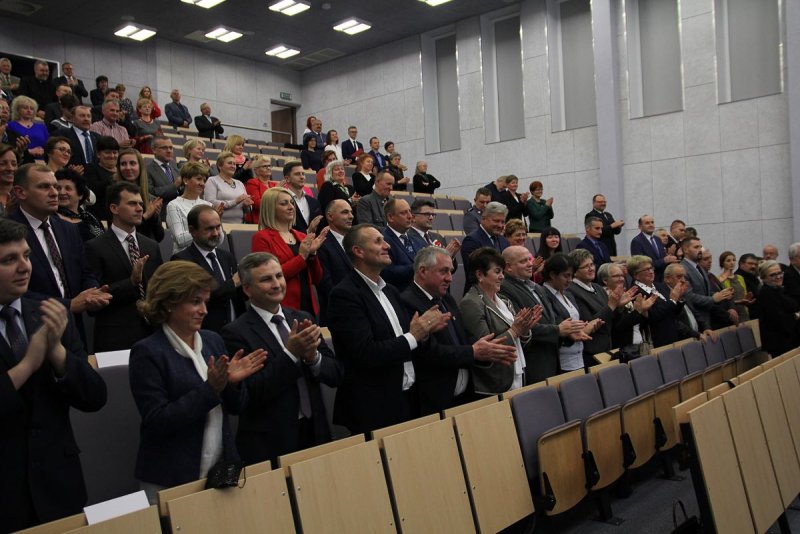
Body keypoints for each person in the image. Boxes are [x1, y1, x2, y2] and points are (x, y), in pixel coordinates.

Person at [0, 218, 107, 532]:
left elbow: (94, 397)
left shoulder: (50, 312)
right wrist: (28, 364)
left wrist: (58, 354)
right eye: (8, 260)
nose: (24, 267)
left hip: (58, 485)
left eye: (26, 255)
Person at [129, 261, 266, 504]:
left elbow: (236, 407)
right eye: (195, 302)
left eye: (205, 302)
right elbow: (158, 420)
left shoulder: (213, 340)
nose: (204, 310)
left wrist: (231, 384)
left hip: (220, 473)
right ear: (169, 302)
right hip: (170, 478)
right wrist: (211, 389)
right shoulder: (148, 352)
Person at [221, 252, 343, 464]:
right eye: (266, 279)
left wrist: (313, 358)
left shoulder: (302, 317)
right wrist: (291, 354)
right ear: (247, 289)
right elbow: (251, 394)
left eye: (279, 276)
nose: (277, 284)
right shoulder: (235, 333)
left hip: (316, 432)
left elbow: (335, 375)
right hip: (272, 443)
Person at [327, 224, 448, 433]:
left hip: (407, 398)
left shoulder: (390, 291)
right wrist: (415, 336)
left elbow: (408, 338)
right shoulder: (344, 295)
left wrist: (424, 333)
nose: (387, 246)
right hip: (373, 406)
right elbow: (366, 353)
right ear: (358, 251)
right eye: (378, 241)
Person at [402, 247, 517, 414]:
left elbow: (464, 340)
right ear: (423, 271)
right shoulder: (407, 302)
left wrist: (485, 351)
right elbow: (427, 353)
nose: (450, 278)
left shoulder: (447, 299)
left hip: (464, 398)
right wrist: (473, 352)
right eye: (443, 271)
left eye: (451, 271)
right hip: (432, 403)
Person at [9, 164, 111, 322]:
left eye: (55, 187)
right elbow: (9, 289)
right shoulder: (6, 232)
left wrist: (92, 295)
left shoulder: (68, 228)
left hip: (73, 326)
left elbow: (85, 271)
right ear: (20, 192)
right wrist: (67, 305)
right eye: (44, 187)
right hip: (30, 326)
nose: (54, 193)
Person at [85, 182, 162, 352]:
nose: (140, 209)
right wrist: (131, 282)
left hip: (153, 335)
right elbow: (93, 301)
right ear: (114, 208)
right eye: (132, 204)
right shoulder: (95, 247)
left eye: (141, 204)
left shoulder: (151, 246)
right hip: (116, 338)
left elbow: (160, 289)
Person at [500, 246, 590, 381]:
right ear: (508, 267)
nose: (530, 264)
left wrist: (568, 332)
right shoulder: (504, 289)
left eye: (529, 259)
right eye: (523, 261)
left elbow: (550, 319)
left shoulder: (537, 287)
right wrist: (558, 330)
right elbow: (522, 327)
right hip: (533, 363)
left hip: (552, 360)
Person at [459, 247, 541, 393]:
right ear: (480, 274)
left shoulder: (504, 300)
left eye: (502, 272)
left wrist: (525, 329)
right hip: (494, 384)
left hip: (517, 375)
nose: (502, 276)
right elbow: (487, 349)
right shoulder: (471, 303)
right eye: (497, 272)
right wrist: (515, 330)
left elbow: (520, 343)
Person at [252, 188, 327, 317]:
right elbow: (269, 277)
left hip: (309, 307)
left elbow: (317, 278)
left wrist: (312, 255)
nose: (291, 207)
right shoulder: (262, 238)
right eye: (284, 203)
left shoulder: (302, 236)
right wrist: (301, 256)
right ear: (271, 208)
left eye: (292, 203)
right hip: (282, 309)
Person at [172, 205, 244, 331]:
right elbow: (201, 296)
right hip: (205, 332)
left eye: (218, 227)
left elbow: (238, 296)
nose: (215, 233)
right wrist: (233, 283)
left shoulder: (227, 256)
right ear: (192, 230)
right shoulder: (182, 261)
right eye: (209, 229)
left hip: (236, 330)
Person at [567, 249, 636, 366]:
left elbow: (613, 322)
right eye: (586, 266)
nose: (591, 269)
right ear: (575, 271)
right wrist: (611, 306)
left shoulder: (597, 288)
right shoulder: (572, 291)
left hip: (607, 348)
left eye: (592, 264)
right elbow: (588, 323)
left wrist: (619, 307)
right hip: (590, 352)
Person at [541, 253, 602, 372]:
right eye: (566, 276)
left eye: (571, 276)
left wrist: (584, 327)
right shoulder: (543, 295)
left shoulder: (568, 294)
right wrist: (570, 332)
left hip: (578, 356)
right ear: (552, 275)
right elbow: (552, 322)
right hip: (560, 360)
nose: (570, 280)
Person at [627, 255, 687, 348]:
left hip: (672, 336)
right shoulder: (636, 293)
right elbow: (653, 316)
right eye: (646, 270)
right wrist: (672, 301)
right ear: (636, 275)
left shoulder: (660, 286)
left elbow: (673, 313)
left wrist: (678, 299)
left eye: (651, 268)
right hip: (657, 341)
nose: (651, 272)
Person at [596, 262, 655, 353]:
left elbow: (638, 324)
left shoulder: (625, 294)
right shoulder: (603, 299)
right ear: (605, 280)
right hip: (621, 350)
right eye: (616, 276)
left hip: (638, 345)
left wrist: (644, 312)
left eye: (622, 275)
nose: (621, 279)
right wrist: (637, 311)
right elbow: (618, 327)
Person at [679, 237, 734, 329]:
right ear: (686, 250)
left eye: (700, 247)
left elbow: (703, 292)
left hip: (708, 318)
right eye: (696, 247)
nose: (700, 250)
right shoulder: (682, 268)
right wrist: (712, 299)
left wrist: (722, 295)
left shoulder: (699, 267)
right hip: (696, 319)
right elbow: (688, 296)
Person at [115, 148, 165, 242]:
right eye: (123, 164)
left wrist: (154, 217)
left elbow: (159, 237)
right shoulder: (114, 194)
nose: (128, 167)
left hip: (146, 247)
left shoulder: (150, 198)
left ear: (140, 166)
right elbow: (120, 232)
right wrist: (146, 216)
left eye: (132, 163)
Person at [317, 199, 353, 326]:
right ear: (330, 216)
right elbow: (326, 285)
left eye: (351, 212)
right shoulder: (321, 245)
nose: (351, 216)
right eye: (345, 212)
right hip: (339, 314)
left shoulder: (356, 241)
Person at [166, 162, 215, 254]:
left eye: (204, 180)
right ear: (185, 180)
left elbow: (219, 239)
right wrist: (205, 230)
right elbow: (180, 240)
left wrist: (217, 226)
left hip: (208, 255)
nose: (202, 184)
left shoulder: (208, 205)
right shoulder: (174, 205)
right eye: (198, 179)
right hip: (185, 257)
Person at [460, 201, 510, 293]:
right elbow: (474, 274)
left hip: (502, 292)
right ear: (483, 219)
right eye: (496, 221)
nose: (500, 225)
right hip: (479, 294)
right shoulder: (471, 240)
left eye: (503, 222)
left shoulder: (504, 241)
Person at [663, 263, 717, 343]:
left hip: (696, 338)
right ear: (668, 279)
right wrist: (695, 334)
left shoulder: (683, 292)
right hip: (681, 341)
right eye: (679, 277)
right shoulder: (664, 295)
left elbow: (696, 313)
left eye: (684, 276)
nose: (683, 280)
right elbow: (675, 321)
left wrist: (706, 328)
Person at [755, 260, 800, 356]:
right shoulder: (766, 293)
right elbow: (778, 318)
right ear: (764, 278)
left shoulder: (778, 289)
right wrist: (796, 316)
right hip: (780, 342)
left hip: (788, 339)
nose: (778, 277)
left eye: (780, 273)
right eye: (773, 275)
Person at [382, 198, 423, 291]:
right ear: (390, 217)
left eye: (410, 211)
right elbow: (388, 272)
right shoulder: (383, 240)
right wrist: (420, 266)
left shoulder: (416, 238)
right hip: (399, 294)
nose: (410, 216)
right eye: (403, 213)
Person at [55, 168, 103, 242]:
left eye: (68, 188)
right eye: (58, 188)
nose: (62, 192)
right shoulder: (51, 219)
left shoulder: (91, 218)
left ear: (80, 194)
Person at [205, 151, 254, 224]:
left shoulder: (240, 183)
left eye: (234, 164)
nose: (233, 166)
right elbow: (211, 203)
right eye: (229, 163)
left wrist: (246, 205)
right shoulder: (212, 180)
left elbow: (247, 210)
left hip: (240, 225)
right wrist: (235, 201)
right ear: (220, 166)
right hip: (219, 224)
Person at [630, 214, 677, 282]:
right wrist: (664, 261)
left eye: (652, 222)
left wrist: (670, 259)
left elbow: (662, 258)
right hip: (647, 280)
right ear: (640, 226)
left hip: (661, 279)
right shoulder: (636, 241)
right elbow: (640, 265)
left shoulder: (657, 239)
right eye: (647, 223)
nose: (651, 225)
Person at [83, 136, 120, 220]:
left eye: (115, 152)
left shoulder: (122, 169)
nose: (112, 156)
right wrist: (112, 178)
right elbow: (93, 191)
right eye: (108, 152)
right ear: (98, 154)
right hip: (99, 218)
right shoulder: (91, 169)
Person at [282, 160, 321, 234]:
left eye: (303, 174)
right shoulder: (281, 202)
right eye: (297, 174)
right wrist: (307, 231)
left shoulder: (314, 202)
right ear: (287, 179)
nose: (302, 177)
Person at [718, 251, 752, 322]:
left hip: (744, 312)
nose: (732, 263)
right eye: (728, 261)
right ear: (722, 263)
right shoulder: (719, 279)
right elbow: (723, 300)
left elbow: (744, 294)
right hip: (731, 314)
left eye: (734, 260)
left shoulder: (740, 277)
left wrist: (747, 299)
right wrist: (739, 302)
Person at [244, 156, 273, 224]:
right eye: (264, 166)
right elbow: (258, 204)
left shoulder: (274, 184)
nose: (268, 168)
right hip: (258, 222)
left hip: (273, 222)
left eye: (269, 166)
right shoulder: (252, 183)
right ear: (256, 170)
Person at [735, 253, 761, 319]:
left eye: (755, 264)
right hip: (745, 316)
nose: (753, 266)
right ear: (741, 264)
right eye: (750, 263)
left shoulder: (753, 277)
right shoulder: (736, 278)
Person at [0, 144, 18, 216]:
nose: (10, 168)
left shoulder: (25, 195)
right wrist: (7, 214)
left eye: (14, 164)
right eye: (2, 164)